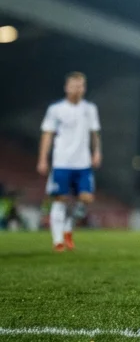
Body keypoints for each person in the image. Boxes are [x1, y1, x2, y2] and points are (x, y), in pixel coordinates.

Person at [37, 72, 101, 252]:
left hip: (83, 163)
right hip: (62, 161)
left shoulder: (90, 109)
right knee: (60, 199)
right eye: (73, 85)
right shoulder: (56, 109)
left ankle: (68, 228)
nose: (77, 89)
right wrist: (43, 158)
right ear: (66, 87)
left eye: (80, 86)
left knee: (86, 198)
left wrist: (97, 152)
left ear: (84, 88)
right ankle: (58, 240)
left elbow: (94, 133)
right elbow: (47, 134)